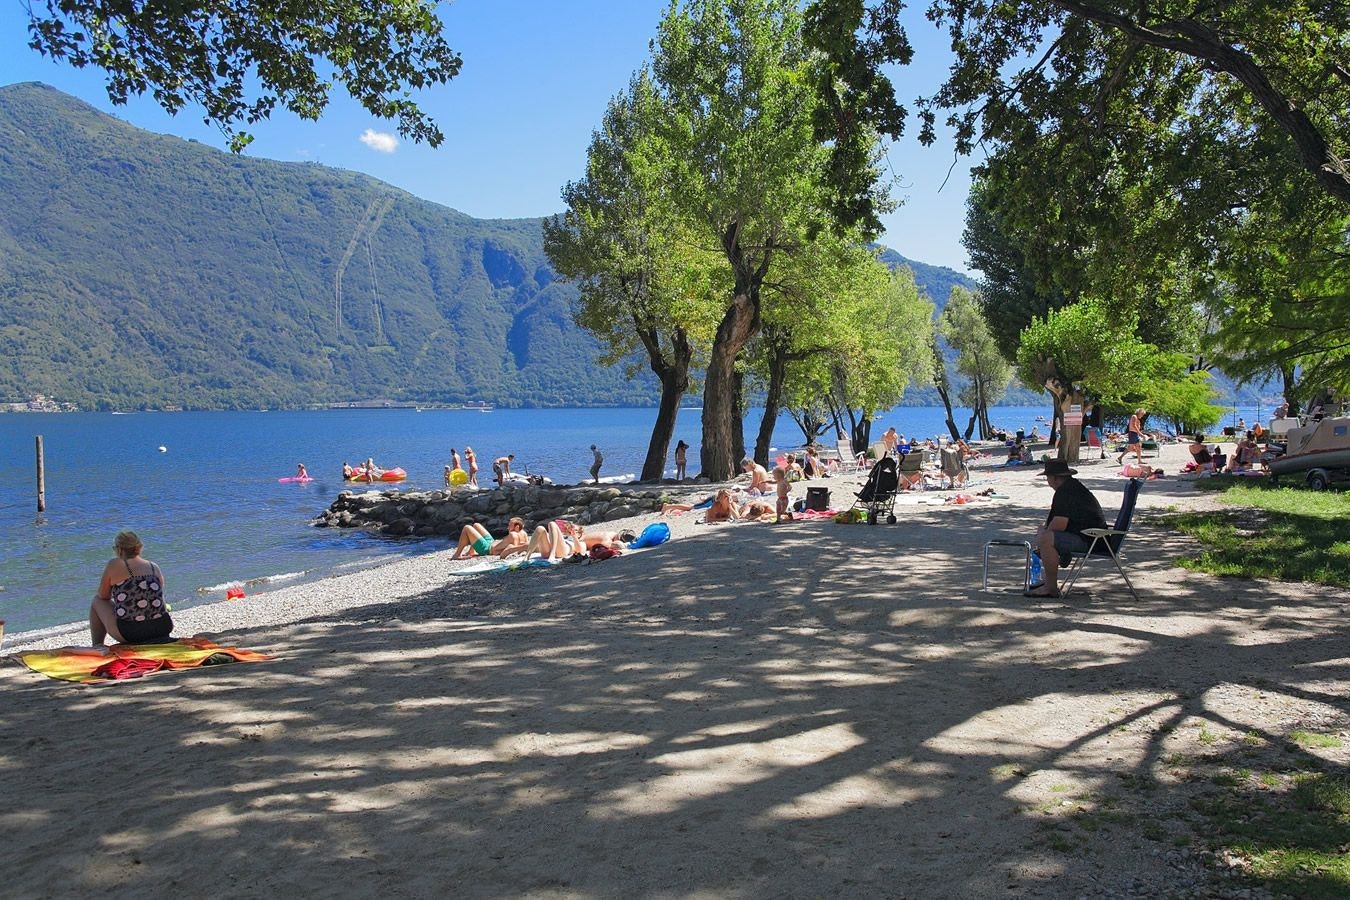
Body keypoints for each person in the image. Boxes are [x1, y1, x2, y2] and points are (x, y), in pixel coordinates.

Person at [1030, 459, 1107, 598]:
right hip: (1094, 537)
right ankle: (1050, 578)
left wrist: (1042, 536)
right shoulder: (1072, 487)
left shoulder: (1066, 492)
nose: (1048, 481)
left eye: (1048, 478)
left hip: (1092, 540)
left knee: (1047, 539)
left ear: (1054, 478)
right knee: (1046, 536)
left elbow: (1059, 524)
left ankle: (1050, 587)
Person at [90, 531, 173, 646]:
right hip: (162, 628)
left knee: (96, 601)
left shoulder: (114, 564)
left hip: (132, 633)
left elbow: (103, 596)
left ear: (119, 550)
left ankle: (97, 645)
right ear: (139, 547)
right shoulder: (153, 566)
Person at [451, 518, 527, 560]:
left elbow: (511, 549)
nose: (507, 527)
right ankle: (471, 552)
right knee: (476, 525)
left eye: (510, 525)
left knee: (467, 528)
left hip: (486, 549)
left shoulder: (512, 535)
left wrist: (497, 552)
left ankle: (457, 555)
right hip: (491, 542)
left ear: (517, 527)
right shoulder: (524, 533)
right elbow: (525, 545)